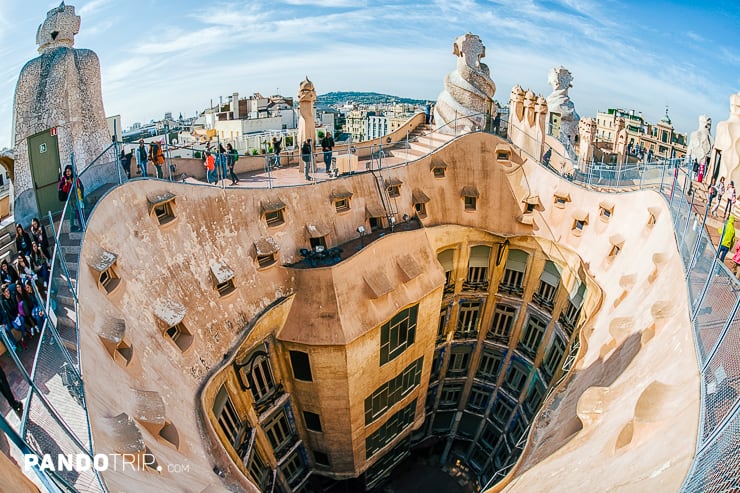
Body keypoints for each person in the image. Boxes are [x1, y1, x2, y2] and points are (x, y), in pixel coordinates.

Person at [58, 165, 84, 230]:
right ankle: (72, 226)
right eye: (66, 171)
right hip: (71, 198)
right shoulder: (64, 179)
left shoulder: (75, 177)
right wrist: (66, 184)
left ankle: (82, 224)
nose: (68, 173)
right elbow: (63, 189)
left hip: (78, 197)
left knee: (80, 211)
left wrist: (72, 182)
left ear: (72, 171)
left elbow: (79, 186)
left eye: (69, 171)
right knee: (72, 212)